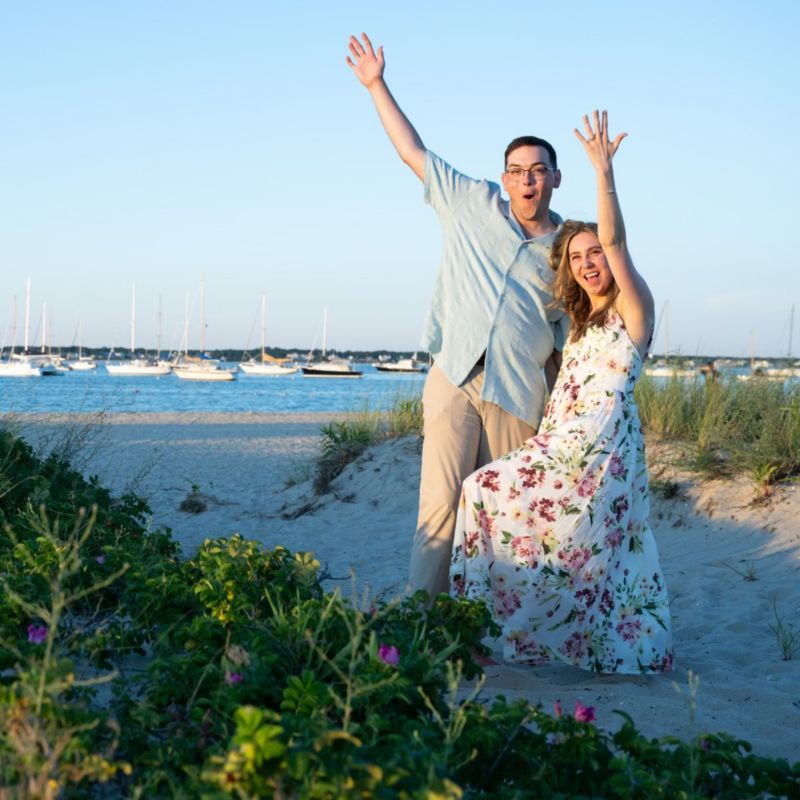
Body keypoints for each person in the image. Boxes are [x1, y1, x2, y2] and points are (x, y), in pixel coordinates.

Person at [449, 111, 674, 674]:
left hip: (600, 447)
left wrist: (604, 173)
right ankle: (490, 632)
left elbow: (617, 239)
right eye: (577, 258)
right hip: (564, 440)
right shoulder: (576, 326)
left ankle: (486, 633)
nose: (588, 263)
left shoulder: (633, 309)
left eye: (594, 253)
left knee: (493, 495)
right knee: (545, 530)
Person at [346, 33, 568, 598]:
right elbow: (411, 150)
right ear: (505, 177)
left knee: (505, 514)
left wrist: (562, 418)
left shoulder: (568, 250)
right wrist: (376, 84)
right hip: (455, 375)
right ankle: (424, 618)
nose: (527, 180)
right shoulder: (470, 200)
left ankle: (494, 623)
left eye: (538, 170)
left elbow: (566, 346)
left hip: (517, 394)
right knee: (441, 504)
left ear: (555, 178)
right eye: (517, 170)